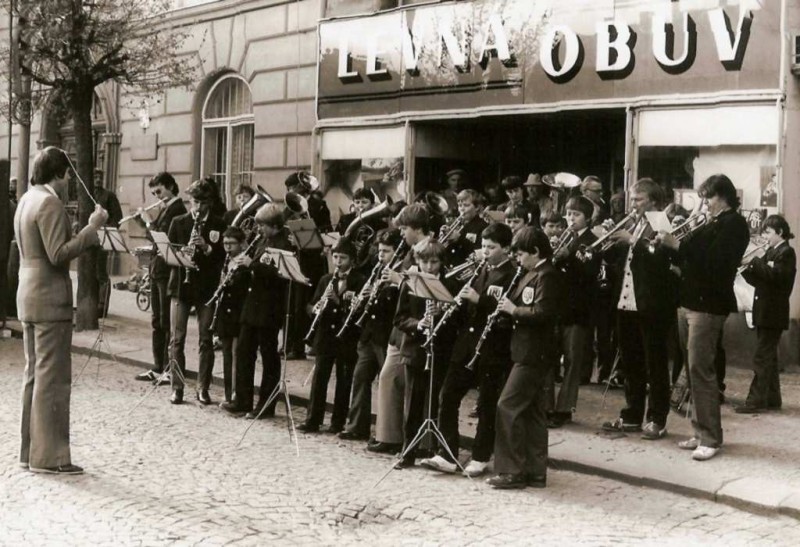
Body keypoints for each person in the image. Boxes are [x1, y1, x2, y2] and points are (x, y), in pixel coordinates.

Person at [15, 146, 109, 474]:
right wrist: (92, 228)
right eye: (68, 174)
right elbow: (58, 254)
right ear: (59, 173)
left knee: (34, 377)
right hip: (50, 298)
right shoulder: (50, 202)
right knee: (53, 380)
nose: (70, 181)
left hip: (28, 295)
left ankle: (30, 453)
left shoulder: (27, 199)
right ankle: (51, 458)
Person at [657, 174, 749, 461]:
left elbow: (716, 263)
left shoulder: (733, 224)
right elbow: (692, 258)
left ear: (722, 196)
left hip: (708, 306)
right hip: (689, 302)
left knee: (701, 371)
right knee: (693, 370)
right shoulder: (712, 222)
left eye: (707, 198)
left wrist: (679, 246)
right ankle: (699, 431)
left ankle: (710, 437)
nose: (704, 204)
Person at [420, 223, 516, 477]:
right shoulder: (480, 269)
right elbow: (466, 311)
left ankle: (481, 456)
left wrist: (479, 300)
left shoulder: (511, 274)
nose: (486, 252)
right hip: (466, 345)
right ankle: (447, 454)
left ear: (506, 249)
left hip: (492, 347)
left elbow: (504, 312)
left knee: (486, 404)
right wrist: (449, 307)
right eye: (483, 246)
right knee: (448, 396)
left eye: (492, 247)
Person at [601, 178, 677, 441]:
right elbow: (618, 262)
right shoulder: (633, 222)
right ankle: (632, 414)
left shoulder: (659, 222)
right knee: (631, 360)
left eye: (638, 199)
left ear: (653, 201)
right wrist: (609, 240)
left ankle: (657, 419)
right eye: (632, 199)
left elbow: (659, 257)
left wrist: (631, 239)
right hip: (626, 300)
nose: (632, 204)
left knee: (654, 363)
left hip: (651, 303)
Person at [486, 227, 561, 489]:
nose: (517, 259)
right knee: (533, 411)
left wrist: (512, 309)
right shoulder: (532, 272)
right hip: (528, 349)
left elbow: (543, 312)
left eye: (520, 254)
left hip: (533, 352)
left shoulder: (547, 275)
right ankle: (534, 470)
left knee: (507, 406)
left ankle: (511, 471)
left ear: (535, 252)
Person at [220, 203, 293, 418]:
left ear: (274, 225)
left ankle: (266, 405)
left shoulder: (284, 244)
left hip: (269, 307)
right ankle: (242, 400)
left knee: (269, 357)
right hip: (252, 304)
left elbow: (278, 274)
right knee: (244, 352)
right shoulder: (262, 240)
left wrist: (251, 264)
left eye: (262, 225)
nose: (258, 229)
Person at [369, 203, 430, 454]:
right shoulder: (409, 250)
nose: (402, 233)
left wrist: (399, 280)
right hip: (401, 326)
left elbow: (432, 286)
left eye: (404, 228)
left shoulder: (430, 250)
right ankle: (389, 435)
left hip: (416, 326)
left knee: (411, 389)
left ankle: (410, 440)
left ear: (416, 228)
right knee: (388, 378)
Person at [392, 239, 456, 469]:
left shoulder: (451, 283)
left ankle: (439, 452)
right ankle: (407, 451)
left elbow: (460, 319)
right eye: (424, 262)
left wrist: (443, 313)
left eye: (434, 262)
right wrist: (419, 324)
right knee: (413, 402)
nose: (429, 267)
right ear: (417, 261)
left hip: (441, 349)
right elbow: (399, 318)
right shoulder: (409, 282)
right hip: (416, 349)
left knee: (439, 401)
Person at [338, 229, 403, 441]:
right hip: (369, 332)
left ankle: (389, 433)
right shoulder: (378, 270)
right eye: (380, 251)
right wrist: (362, 299)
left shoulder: (400, 272)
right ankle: (357, 426)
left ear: (397, 252)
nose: (381, 256)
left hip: (385, 334)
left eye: (386, 251)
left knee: (388, 385)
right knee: (360, 377)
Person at [166, 178, 226, 405]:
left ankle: (203, 387)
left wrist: (207, 248)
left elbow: (223, 258)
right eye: (194, 202)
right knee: (176, 339)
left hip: (206, 288)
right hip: (181, 285)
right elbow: (167, 256)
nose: (198, 208)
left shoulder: (218, 225)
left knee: (205, 339)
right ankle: (177, 387)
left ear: (209, 202)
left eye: (202, 203)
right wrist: (183, 257)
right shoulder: (178, 222)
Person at [298, 238, 365, 433]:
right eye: (335, 257)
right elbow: (310, 305)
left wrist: (337, 302)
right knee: (320, 378)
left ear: (352, 259)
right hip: (325, 335)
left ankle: (338, 422)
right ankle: (313, 419)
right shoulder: (326, 279)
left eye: (342, 258)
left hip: (346, 337)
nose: (337, 262)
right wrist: (315, 309)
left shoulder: (359, 281)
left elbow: (357, 312)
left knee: (344, 380)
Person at [736, 215, 796, 413]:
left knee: (762, 357)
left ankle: (755, 401)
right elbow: (761, 280)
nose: (765, 236)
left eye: (768, 232)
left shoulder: (787, 252)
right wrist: (745, 269)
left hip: (773, 313)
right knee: (769, 357)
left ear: (780, 233)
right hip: (765, 311)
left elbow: (776, 277)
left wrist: (755, 261)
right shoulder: (772, 251)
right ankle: (772, 398)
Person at [548, 196, 599, 427]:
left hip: (578, 308)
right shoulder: (562, 238)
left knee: (571, 360)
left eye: (576, 215)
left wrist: (568, 257)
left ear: (587, 217)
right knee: (549, 357)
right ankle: (546, 405)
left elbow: (589, 272)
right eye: (568, 214)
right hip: (556, 306)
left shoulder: (593, 240)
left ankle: (564, 408)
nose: (570, 219)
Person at [134, 173, 187, 383]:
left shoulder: (178, 210)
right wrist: (143, 223)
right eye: (154, 193)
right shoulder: (166, 209)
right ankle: (157, 367)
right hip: (158, 270)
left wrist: (147, 222)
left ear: (171, 187)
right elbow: (154, 237)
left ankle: (167, 368)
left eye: (160, 191)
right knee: (157, 320)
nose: (157, 196)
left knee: (166, 321)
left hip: (167, 272)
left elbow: (161, 237)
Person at [284, 171, 331, 360]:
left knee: (307, 303)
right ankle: (290, 344)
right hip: (295, 259)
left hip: (312, 262)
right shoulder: (289, 207)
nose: (290, 191)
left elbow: (326, 232)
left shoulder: (319, 206)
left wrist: (307, 238)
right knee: (292, 304)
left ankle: (305, 344)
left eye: (293, 188)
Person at [209, 226, 251, 403]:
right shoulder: (226, 261)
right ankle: (228, 395)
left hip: (238, 314)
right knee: (227, 355)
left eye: (231, 244)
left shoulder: (244, 263)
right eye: (225, 243)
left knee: (236, 356)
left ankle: (236, 396)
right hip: (225, 315)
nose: (227, 247)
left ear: (241, 244)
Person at [92, 168, 123, 318]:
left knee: (100, 272)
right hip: (87, 240)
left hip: (101, 239)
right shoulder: (86, 195)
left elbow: (118, 217)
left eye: (100, 176)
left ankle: (102, 306)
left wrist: (106, 229)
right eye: (95, 176)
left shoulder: (108, 195)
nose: (98, 179)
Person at [440, 189, 488, 267]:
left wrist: (459, 238)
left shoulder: (483, 226)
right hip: (449, 266)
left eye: (466, 205)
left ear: (477, 208)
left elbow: (480, 252)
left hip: (467, 269)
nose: (462, 209)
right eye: (460, 205)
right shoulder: (451, 224)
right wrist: (443, 237)